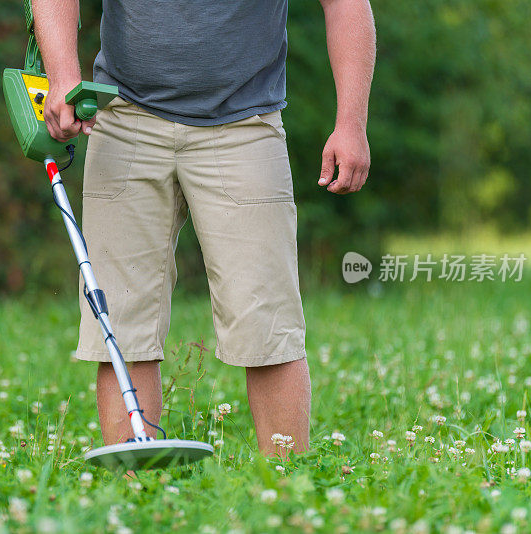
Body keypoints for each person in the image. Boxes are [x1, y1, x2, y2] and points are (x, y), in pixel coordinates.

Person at [33, 0, 376, 455]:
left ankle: (286, 487)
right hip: (122, 118)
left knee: (267, 321)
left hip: (245, 124)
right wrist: (62, 76)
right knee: (120, 319)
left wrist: (351, 123)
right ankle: (137, 490)